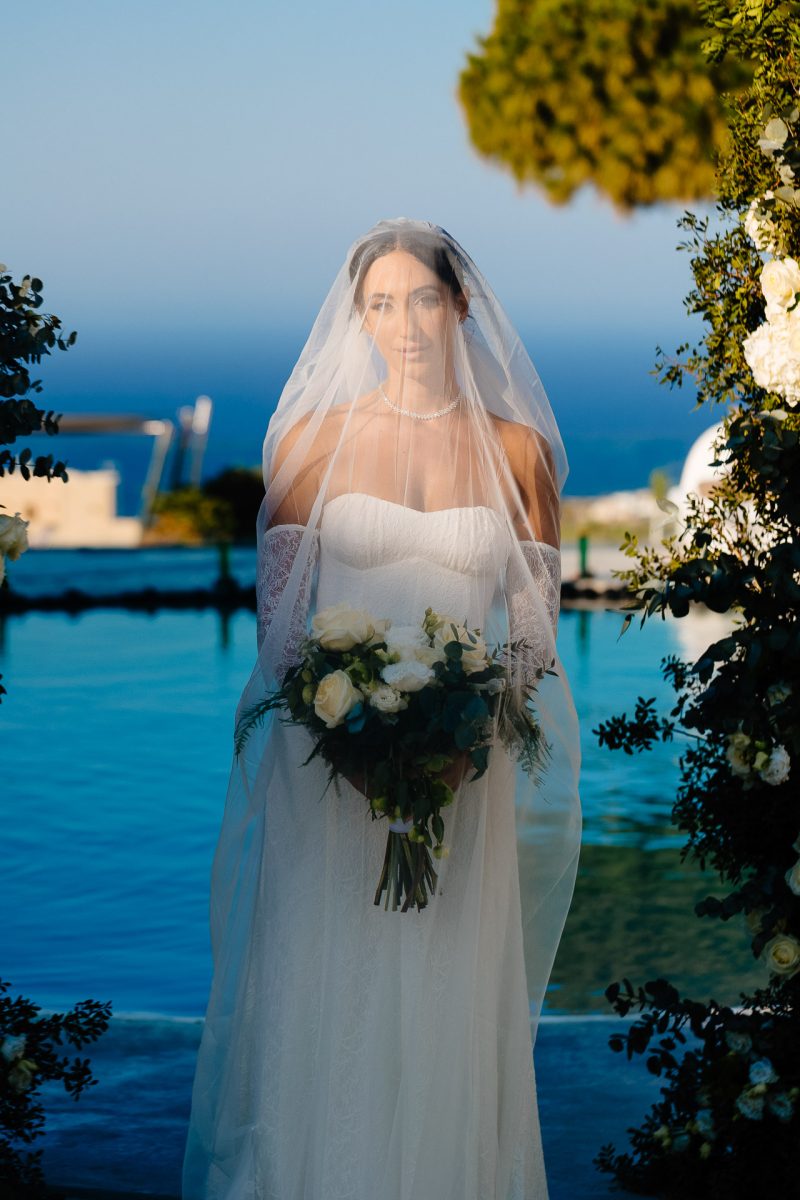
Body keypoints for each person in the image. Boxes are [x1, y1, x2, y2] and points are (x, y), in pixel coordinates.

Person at [181, 218, 582, 1199]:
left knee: (444, 994)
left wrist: (463, 740)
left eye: (421, 299)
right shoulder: (313, 442)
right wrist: (343, 737)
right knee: (325, 987)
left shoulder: (518, 452)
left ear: (461, 305)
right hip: (328, 773)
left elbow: (532, 635)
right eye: (379, 303)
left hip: (463, 771)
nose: (402, 323)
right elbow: (279, 633)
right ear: (356, 318)